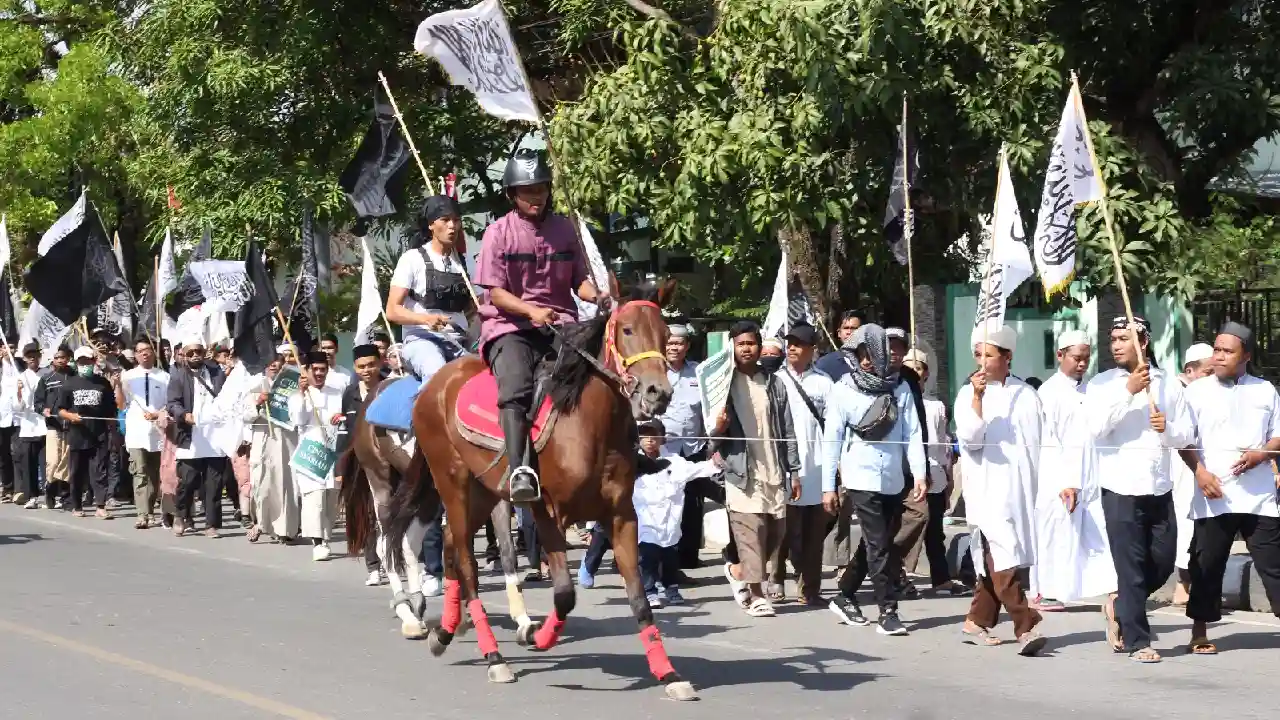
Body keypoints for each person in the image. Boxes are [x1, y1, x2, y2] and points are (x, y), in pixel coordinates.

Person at [472, 148, 605, 503]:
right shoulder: (497, 233)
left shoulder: (566, 228)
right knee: (516, 388)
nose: (536, 196)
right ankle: (520, 470)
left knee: (601, 375)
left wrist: (599, 296)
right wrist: (530, 311)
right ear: (512, 195)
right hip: (509, 327)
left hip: (563, 325)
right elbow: (496, 293)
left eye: (541, 188)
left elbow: (580, 283)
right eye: (528, 190)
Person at [1083, 316, 1192, 663]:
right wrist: (1128, 392)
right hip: (1119, 487)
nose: (1115, 345)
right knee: (1129, 568)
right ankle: (1138, 641)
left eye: (1123, 338)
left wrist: (1167, 427)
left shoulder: (1169, 384)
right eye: (1113, 338)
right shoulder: (1101, 385)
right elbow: (1096, 429)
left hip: (1159, 485)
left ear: (1142, 342)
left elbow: (1186, 434)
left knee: (1161, 562)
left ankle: (1120, 605)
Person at [1179, 323, 1280, 655]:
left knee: (1274, 563)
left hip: (1259, 496)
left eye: (1227, 351)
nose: (1218, 356)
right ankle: (1199, 630)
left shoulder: (1265, 390)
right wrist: (1200, 472)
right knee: (1207, 564)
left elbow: (1277, 434)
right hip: (1214, 494)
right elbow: (1183, 440)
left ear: (1246, 356)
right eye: (1217, 350)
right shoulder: (1196, 391)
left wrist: (1261, 454)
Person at [822, 325, 927, 635]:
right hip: (860, 476)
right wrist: (829, 487)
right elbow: (832, 440)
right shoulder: (842, 389)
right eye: (861, 354)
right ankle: (888, 612)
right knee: (879, 543)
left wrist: (919, 473)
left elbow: (913, 433)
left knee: (877, 542)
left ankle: (844, 594)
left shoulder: (900, 387)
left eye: (872, 354)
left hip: (894, 476)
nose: (867, 361)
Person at [954, 325, 1046, 656]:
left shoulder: (1027, 395)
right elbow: (969, 437)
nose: (981, 362)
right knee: (1001, 554)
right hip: (986, 487)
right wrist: (978, 397)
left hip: (1019, 488)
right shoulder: (968, 393)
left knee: (1005, 556)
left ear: (1007, 357)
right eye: (977, 355)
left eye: (988, 355)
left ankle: (977, 620)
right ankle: (1027, 624)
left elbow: (1039, 445)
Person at [712, 320, 800, 618]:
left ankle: (737, 571)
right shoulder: (721, 383)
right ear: (732, 348)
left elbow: (787, 430)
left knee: (775, 534)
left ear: (760, 347)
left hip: (773, 470)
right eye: (741, 344)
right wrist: (719, 428)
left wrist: (794, 470)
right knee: (751, 533)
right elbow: (709, 436)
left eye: (751, 343)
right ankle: (757, 594)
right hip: (740, 472)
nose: (746, 348)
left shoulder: (774, 383)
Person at [1030, 330, 1115, 610]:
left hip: (1091, 473)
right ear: (1060, 355)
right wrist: (1064, 480)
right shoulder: (1049, 392)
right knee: (1057, 532)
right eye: (1076, 358)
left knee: (1094, 531)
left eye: (1086, 359)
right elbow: (1049, 442)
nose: (1082, 364)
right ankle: (1046, 590)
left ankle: (1104, 589)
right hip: (1059, 476)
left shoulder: (1093, 390)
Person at [632, 418, 721, 608]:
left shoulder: (675, 462)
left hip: (670, 524)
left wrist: (715, 462)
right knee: (647, 557)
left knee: (670, 559)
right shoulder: (631, 463)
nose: (649, 440)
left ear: (662, 439)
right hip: (644, 522)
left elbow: (699, 469)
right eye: (644, 436)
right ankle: (650, 591)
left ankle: (671, 588)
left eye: (653, 436)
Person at [901, 349, 969, 596]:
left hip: (934, 474)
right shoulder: (898, 399)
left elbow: (941, 444)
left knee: (935, 530)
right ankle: (898, 575)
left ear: (926, 373)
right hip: (906, 475)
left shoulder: (936, 406)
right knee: (908, 526)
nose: (914, 372)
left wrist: (947, 473)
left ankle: (941, 578)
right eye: (909, 367)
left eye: (919, 367)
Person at [775, 323, 834, 606]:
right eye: (790, 343)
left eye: (799, 343)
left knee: (813, 533)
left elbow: (835, 427)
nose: (792, 348)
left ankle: (810, 587)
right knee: (783, 528)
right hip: (784, 465)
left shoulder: (824, 383)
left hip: (818, 466)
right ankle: (775, 579)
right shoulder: (775, 381)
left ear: (813, 349)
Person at [386, 195, 472, 384]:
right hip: (422, 340)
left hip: (459, 341)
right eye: (445, 220)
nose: (452, 226)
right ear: (431, 225)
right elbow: (392, 310)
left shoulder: (464, 263)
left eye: (456, 220)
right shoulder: (412, 259)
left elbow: (475, 307)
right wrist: (426, 319)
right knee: (437, 374)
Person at [657, 324, 710, 573]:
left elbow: (709, 410)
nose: (673, 347)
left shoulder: (699, 372)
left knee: (692, 504)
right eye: (669, 343)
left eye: (679, 343)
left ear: (687, 346)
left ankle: (688, 557)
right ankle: (658, 557)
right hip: (660, 449)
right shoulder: (653, 370)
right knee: (661, 503)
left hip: (692, 447)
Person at [166, 337, 229, 538]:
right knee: (188, 480)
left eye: (198, 352)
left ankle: (211, 524)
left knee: (214, 483)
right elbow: (172, 403)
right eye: (190, 352)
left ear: (204, 353)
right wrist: (183, 415)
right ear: (183, 354)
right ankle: (180, 513)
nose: (195, 356)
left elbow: (227, 397)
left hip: (215, 436)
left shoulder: (217, 372)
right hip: (190, 435)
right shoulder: (178, 376)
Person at [335, 344, 388, 584]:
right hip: (358, 463)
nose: (367, 370)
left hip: (389, 461)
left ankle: (392, 561)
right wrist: (340, 467)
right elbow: (344, 432)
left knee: (388, 514)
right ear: (355, 368)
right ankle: (373, 566)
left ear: (381, 363)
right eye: (361, 366)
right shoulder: (350, 393)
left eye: (371, 365)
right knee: (365, 513)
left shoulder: (391, 387)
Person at [57, 346, 125, 519]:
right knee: (77, 471)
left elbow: (111, 411)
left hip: (99, 434)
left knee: (99, 470)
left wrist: (114, 433)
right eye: (81, 362)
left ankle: (100, 506)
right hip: (78, 435)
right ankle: (77, 505)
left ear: (94, 361)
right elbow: (60, 410)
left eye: (87, 361)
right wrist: (71, 416)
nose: (84, 364)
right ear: (76, 363)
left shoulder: (102, 383)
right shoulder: (69, 383)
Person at [1172, 342, 1214, 605]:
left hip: (1208, 470)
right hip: (1183, 471)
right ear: (1190, 370)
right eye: (1208, 372)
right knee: (1185, 527)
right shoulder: (1177, 393)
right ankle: (1183, 585)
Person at [292, 350, 344, 561]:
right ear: (307, 370)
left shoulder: (337, 391)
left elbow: (345, 417)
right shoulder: (299, 395)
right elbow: (297, 419)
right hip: (310, 453)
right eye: (315, 370)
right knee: (314, 498)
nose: (320, 373)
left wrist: (340, 418)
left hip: (332, 451)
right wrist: (302, 395)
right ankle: (318, 541)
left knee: (330, 499)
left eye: (323, 369)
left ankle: (326, 536)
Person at [246, 355, 300, 543]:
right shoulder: (255, 384)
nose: (274, 364)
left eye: (278, 360)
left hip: (286, 438)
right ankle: (261, 523)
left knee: (286, 483)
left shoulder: (293, 385)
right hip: (263, 437)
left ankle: (286, 529)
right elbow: (243, 414)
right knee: (262, 483)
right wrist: (259, 402)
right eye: (270, 361)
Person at [121, 338, 170, 529]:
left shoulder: (164, 377)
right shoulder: (129, 376)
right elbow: (121, 403)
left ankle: (152, 509)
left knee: (155, 473)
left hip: (157, 431)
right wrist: (117, 385)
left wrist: (158, 414)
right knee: (139, 472)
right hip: (136, 431)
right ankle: (142, 514)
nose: (144, 353)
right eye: (140, 351)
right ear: (135, 355)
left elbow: (170, 402)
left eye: (148, 349)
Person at [35, 345, 72, 509]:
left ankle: (65, 496)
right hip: (53, 426)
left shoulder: (74, 377)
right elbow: (38, 402)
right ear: (53, 360)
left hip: (71, 426)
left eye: (63, 357)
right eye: (57, 357)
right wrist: (44, 409)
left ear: (68, 359)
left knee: (67, 462)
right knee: (53, 461)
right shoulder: (46, 379)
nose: (60, 360)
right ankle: (49, 489)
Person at [14, 344, 47, 509]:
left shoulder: (47, 374)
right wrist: (20, 391)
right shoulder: (20, 377)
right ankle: (31, 496)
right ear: (25, 359)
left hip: (46, 425)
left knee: (47, 463)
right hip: (28, 426)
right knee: (29, 464)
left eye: (35, 355)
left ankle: (49, 495)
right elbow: (18, 407)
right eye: (29, 356)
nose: (33, 358)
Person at [815, 310, 864, 382]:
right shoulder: (825, 364)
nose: (849, 332)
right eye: (846, 328)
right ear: (839, 333)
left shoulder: (872, 362)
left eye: (854, 328)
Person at [0, 343, 20, 503]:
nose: (9, 350)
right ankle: (7, 487)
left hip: (18, 417)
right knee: (3, 454)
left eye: (12, 347)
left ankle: (19, 489)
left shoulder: (20, 365)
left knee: (18, 453)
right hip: (2, 416)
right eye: (7, 347)